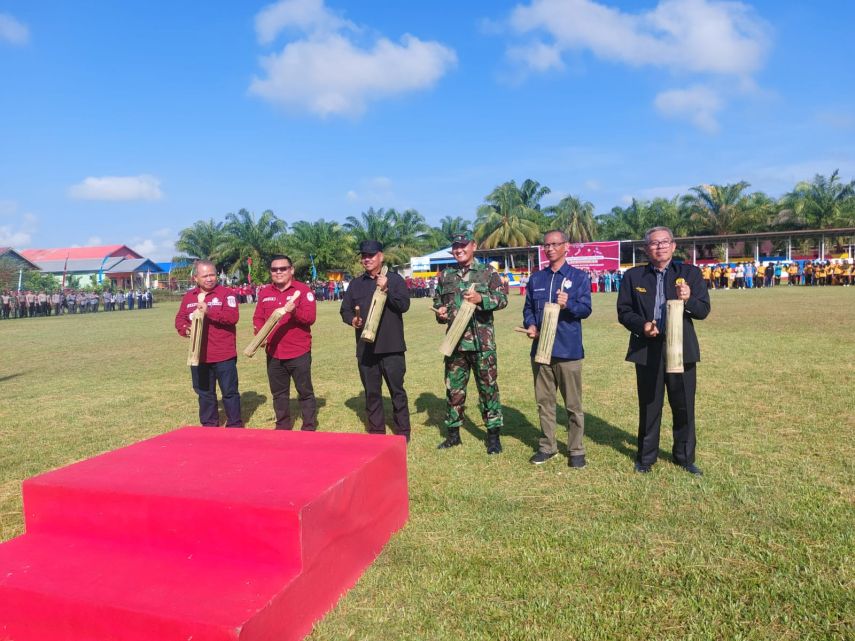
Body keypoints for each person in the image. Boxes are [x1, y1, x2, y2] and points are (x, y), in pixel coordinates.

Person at [617, 227, 711, 476]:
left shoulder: (689, 273)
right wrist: (643, 326)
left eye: (664, 242)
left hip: (682, 349)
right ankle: (646, 458)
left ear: (673, 246)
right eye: (653, 243)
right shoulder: (633, 277)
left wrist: (689, 299)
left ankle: (685, 457)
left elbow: (703, 311)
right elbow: (624, 312)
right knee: (649, 405)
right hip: (648, 349)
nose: (659, 247)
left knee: (684, 406)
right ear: (646, 248)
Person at [433, 232, 508, 454]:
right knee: (454, 390)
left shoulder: (487, 272)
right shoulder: (446, 275)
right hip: (455, 344)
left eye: (463, 246)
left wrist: (481, 300)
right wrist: (441, 312)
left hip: (482, 344)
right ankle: (453, 434)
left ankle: (493, 436)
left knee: (488, 389)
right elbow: (438, 302)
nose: (459, 250)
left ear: (473, 246)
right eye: (455, 247)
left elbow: (502, 299)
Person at [523, 230, 592, 468]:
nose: (550, 249)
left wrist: (569, 303)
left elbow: (585, 309)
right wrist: (531, 325)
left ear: (566, 246)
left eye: (555, 244)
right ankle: (548, 447)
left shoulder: (579, 277)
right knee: (544, 402)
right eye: (546, 245)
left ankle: (576, 450)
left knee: (573, 405)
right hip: (541, 350)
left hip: (568, 350)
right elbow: (529, 308)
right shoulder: (536, 279)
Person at [340, 240, 411, 441]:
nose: (367, 259)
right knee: (372, 393)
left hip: (391, 347)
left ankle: (403, 433)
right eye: (364, 256)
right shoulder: (355, 284)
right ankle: (377, 432)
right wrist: (352, 320)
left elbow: (404, 305)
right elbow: (345, 310)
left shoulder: (395, 280)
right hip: (366, 349)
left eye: (371, 255)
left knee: (397, 392)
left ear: (381, 256)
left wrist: (387, 290)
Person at [174, 260, 243, 428]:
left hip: (223, 355)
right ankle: (209, 426)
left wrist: (209, 311)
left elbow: (232, 318)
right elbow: (180, 319)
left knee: (229, 392)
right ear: (195, 278)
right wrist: (186, 329)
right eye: (205, 276)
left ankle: (234, 425)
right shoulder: (189, 297)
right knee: (204, 393)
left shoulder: (226, 294)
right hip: (198, 356)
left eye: (212, 274)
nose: (210, 279)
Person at [252, 254, 317, 430]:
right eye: (274, 269)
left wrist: (294, 310)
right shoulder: (265, 292)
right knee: (279, 394)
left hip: (298, 351)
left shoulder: (303, 291)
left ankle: (309, 426)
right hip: (274, 352)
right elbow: (258, 317)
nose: (278, 272)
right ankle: (282, 427)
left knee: (304, 392)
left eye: (283, 268)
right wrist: (259, 332)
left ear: (291, 270)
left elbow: (310, 318)